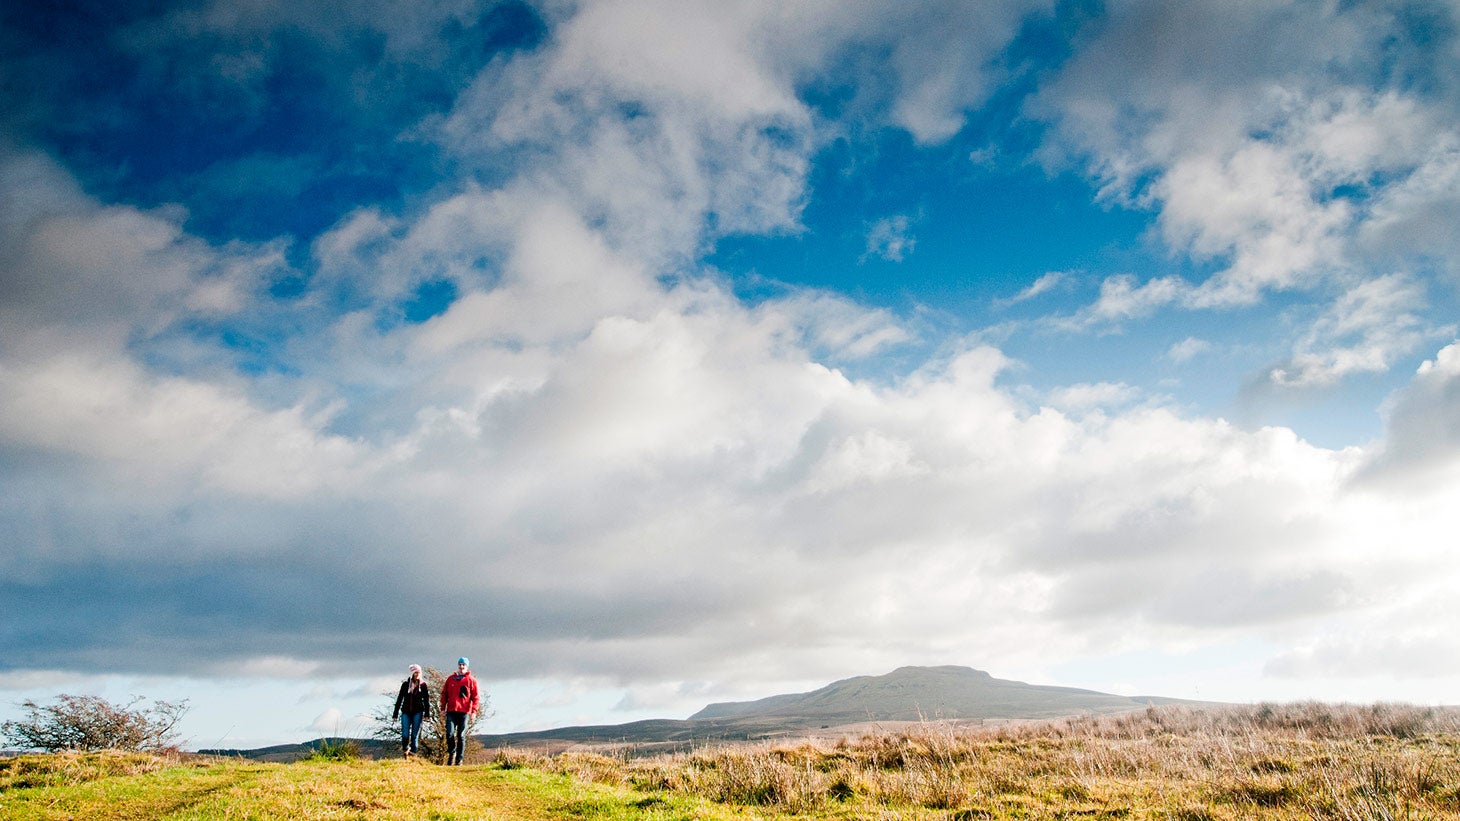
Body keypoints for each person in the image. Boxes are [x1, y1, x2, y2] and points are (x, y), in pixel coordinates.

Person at [439, 656, 479, 765]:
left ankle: (459, 759)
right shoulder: (450, 679)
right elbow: (444, 694)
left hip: (464, 712)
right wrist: (443, 708)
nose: (461, 666)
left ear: (467, 666)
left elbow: (475, 697)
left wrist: (474, 711)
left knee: (461, 735)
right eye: (460, 664)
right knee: (449, 733)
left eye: (463, 665)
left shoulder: (471, 680)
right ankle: (452, 753)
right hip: (451, 711)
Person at [392, 664, 431, 759]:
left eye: (418, 672)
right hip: (406, 711)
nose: (416, 674)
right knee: (405, 734)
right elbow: (400, 698)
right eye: (415, 672)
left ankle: (413, 754)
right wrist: (395, 713)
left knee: (414, 735)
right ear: (412, 673)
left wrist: (427, 714)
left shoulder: (423, 685)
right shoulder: (405, 685)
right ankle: (405, 749)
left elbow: (426, 700)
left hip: (418, 712)